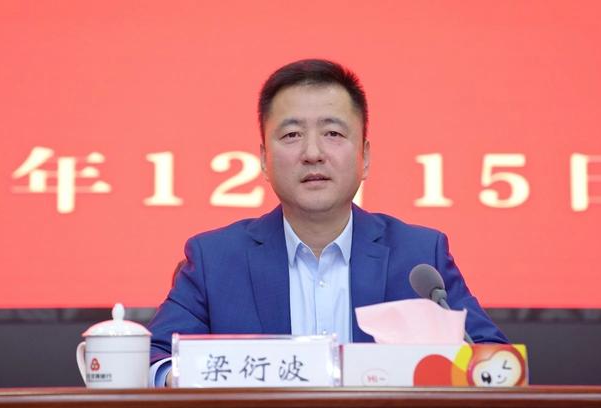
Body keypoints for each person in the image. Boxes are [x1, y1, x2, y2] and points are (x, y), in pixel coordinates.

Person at [147, 59, 508, 386]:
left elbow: (495, 363)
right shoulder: (215, 259)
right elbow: (153, 361)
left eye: (333, 133)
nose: (313, 153)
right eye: (292, 135)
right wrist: (188, 380)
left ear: (364, 157)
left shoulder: (419, 256)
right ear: (264, 160)